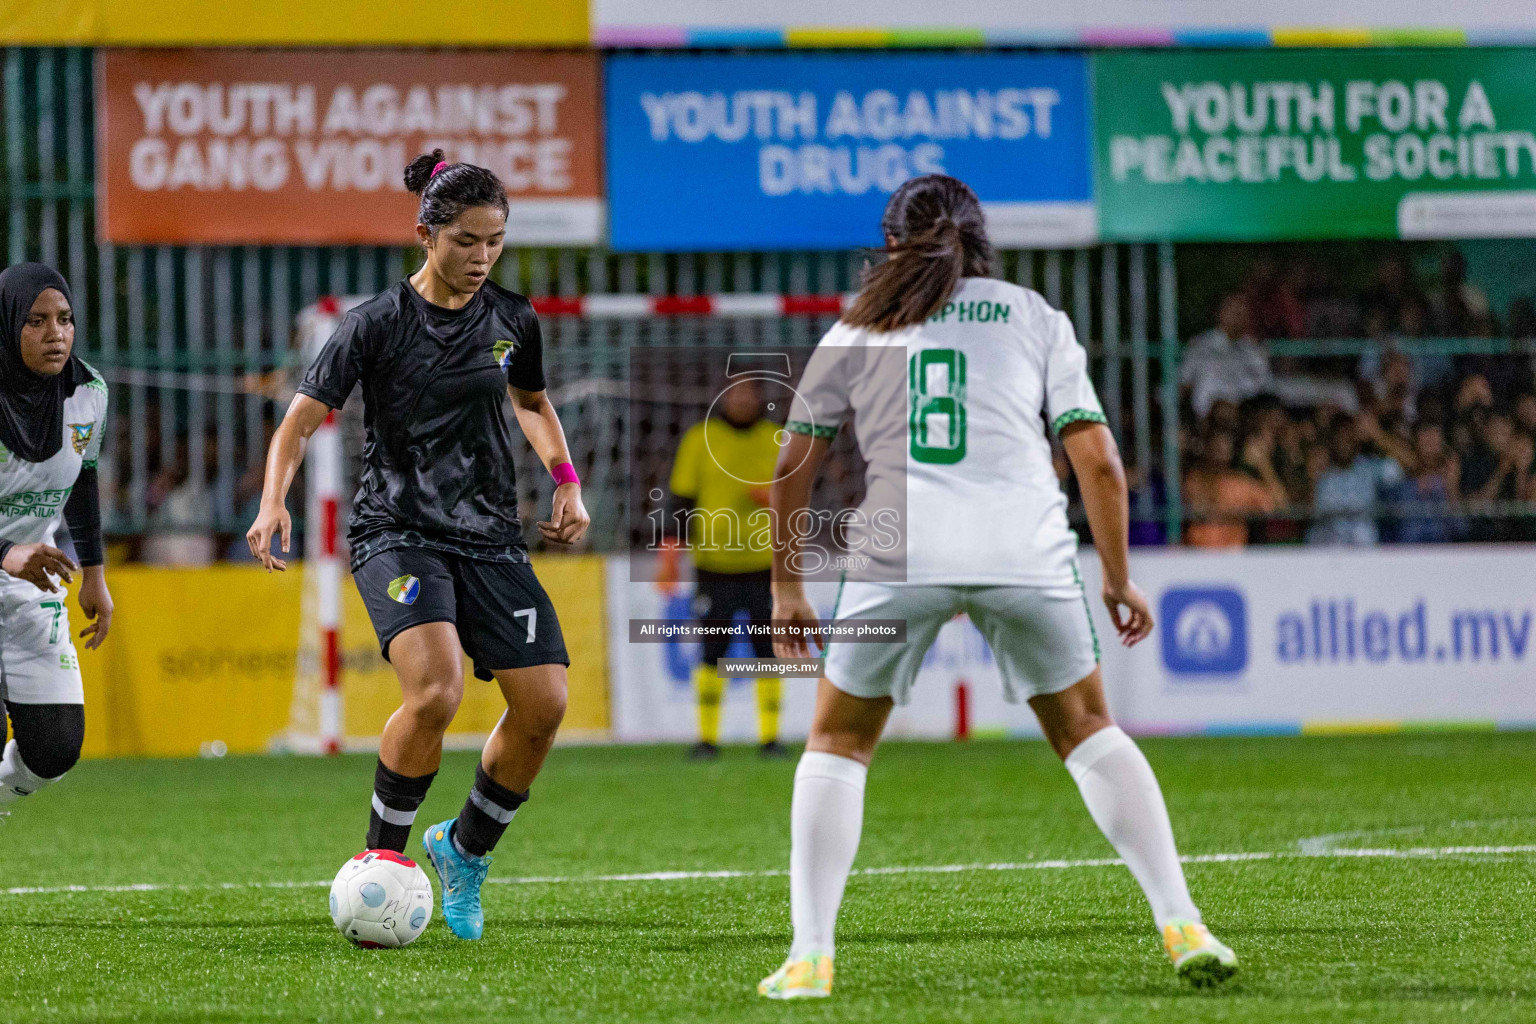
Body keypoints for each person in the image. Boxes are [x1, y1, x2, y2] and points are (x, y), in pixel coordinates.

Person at [758, 175, 1236, 999]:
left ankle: (810, 956)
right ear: (981, 238)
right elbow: (1098, 461)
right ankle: (1182, 918)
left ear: (891, 240)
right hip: (1024, 548)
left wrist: (787, 586)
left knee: (837, 746)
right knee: (1088, 730)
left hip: (898, 550)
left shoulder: (860, 324)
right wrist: (1118, 579)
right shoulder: (1032, 315)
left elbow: (791, 461)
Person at [247, 151, 589, 941]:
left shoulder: (511, 318)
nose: (481, 258)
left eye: (495, 241)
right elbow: (298, 423)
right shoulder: (372, 325)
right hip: (396, 533)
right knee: (435, 691)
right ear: (425, 233)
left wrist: (565, 478)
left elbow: (532, 403)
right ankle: (380, 867)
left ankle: (464, 850)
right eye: (466, 241)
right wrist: (273, 503)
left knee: (544, 706)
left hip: (490, 536)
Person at [0, 264, 113, 815]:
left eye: (65, 319)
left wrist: (95, 572)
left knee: (57, 747)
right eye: (37, 321)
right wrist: (6, 552)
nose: (56, 334)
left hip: (31, 582)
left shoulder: (88, 393)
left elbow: (84, 477)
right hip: (13, 562)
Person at [668, 376, 786, 760]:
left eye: (749, 393)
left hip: (763, 564)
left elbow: (797, 496)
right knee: (711, 650)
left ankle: (770, 739)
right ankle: (707, 739)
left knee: (767, 650)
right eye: (735, 393)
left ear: (759, 399)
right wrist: (669, 556)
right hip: (713, 564)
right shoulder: (700, 439)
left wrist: (776, 497)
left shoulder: (777, 438)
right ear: (723, 397)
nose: (741, 400)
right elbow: (681, 502)